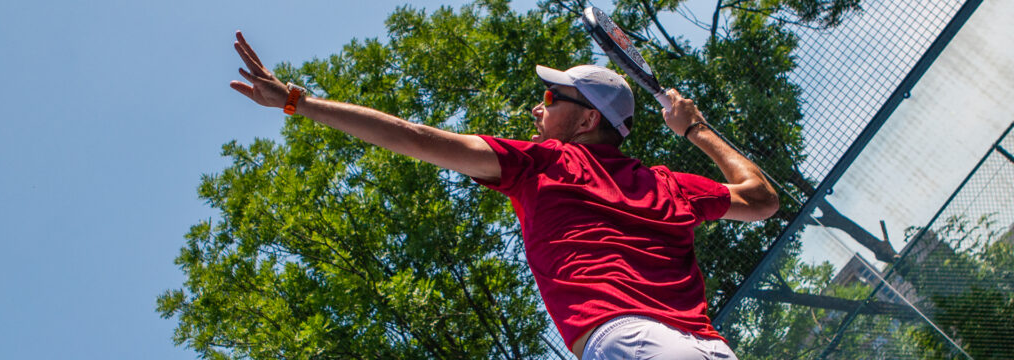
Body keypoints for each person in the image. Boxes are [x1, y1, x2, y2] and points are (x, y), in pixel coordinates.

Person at [230, 31, 778, 360]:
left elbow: (416, 138)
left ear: (588, 118)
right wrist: (696, 129)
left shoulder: (541, 162)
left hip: (633, 343)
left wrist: (297, 102)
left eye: (550, 96)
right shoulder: (670, 184)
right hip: (709, 348)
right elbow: (761, 199)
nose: (537, 108)